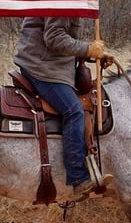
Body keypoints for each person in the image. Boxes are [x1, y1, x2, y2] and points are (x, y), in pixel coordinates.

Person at [13, 17, 106, 197]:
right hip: (42, 67)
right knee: (74, 111)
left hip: (44, 62)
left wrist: (91, 53)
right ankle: (78, 177)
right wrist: (87, 48)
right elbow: (54, 38)